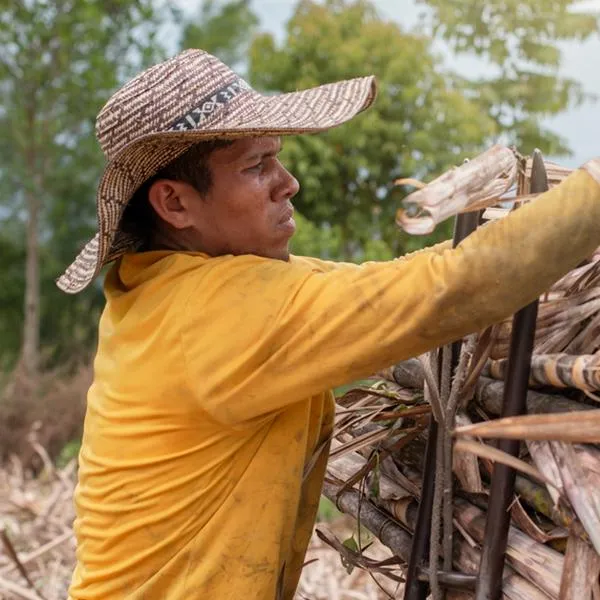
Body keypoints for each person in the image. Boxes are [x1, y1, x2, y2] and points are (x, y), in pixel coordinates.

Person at [58, 48, 600, 599]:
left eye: (278, 158)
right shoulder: (215, 313)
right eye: (255, 166)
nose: (287, 182)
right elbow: (448, 289)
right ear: (175, 204)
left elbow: (394, 281)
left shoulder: (169, 290)